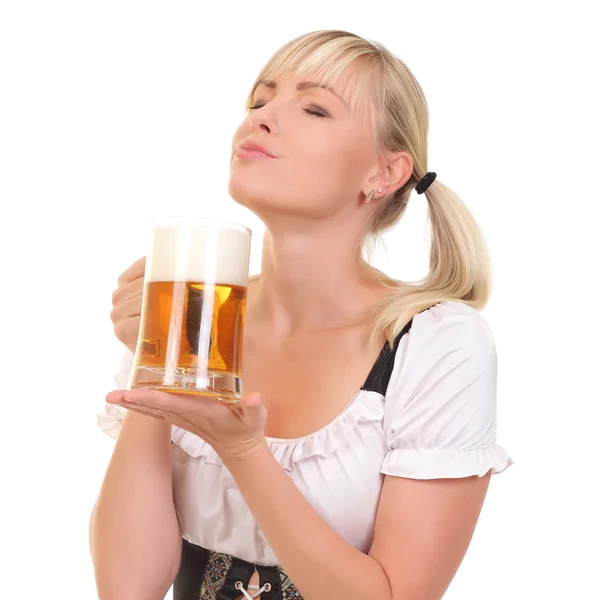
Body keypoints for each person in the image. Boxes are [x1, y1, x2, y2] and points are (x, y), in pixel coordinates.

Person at [90, 29, 514, 600]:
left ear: (384, 174)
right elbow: (127, 588)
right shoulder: (192, 317)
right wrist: (154, 366)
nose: (260, 119)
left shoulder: (436, 344)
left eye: (314, 108)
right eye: (259, 100)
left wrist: (244, 452)